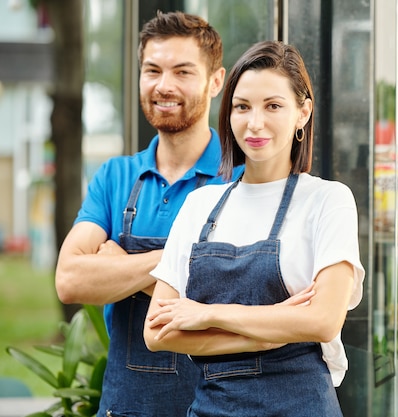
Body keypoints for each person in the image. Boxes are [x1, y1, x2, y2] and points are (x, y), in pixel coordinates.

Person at [143, 40, 365, 416]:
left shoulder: (328, 200)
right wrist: (274, 332)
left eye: (273, 106)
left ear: (303, 112)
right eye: (242, 106)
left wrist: (208, 314)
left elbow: (324, 321)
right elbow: (157, 332)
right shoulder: (200, 205)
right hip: (212, 407)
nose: (255, 122)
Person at [54, 11, 244, 417]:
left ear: (216, 81)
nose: (164, 86)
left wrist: (121, 268)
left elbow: (243, 298)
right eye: (152, 70)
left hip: (219, 407)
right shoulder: (115, 176)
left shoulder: (242, 179)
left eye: (182, 72)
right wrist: (183, 263)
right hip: (125, 407)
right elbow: (70, 280)